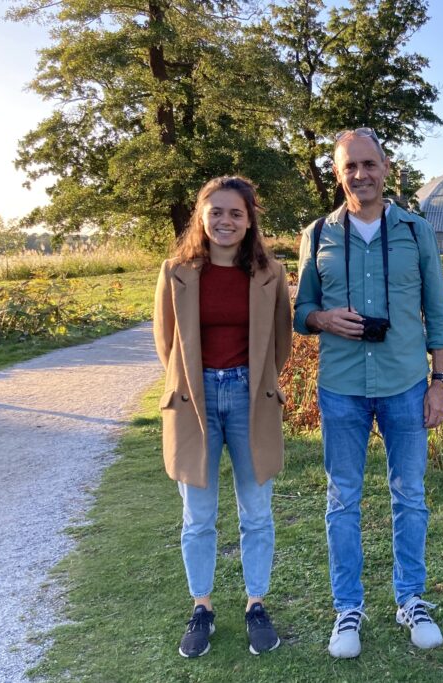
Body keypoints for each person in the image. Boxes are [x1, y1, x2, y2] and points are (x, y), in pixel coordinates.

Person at [293, 128, 443, 659]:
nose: (360, 175)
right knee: (342, 498)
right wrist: (322, 318)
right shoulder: (317, 234)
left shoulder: (416, 230)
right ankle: (348, 609)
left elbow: (437, 312)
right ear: (336, 173)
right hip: (340, 386)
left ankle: (411, 600)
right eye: (350, 167)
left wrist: (439, 383)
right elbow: (300, 313)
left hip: (405, 385)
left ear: (387, 168)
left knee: (409, 494)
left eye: (369, 164)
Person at [153, 176, 292, 658]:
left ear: (250, 219)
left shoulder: (269, 273)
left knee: (256, 513)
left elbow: (281, 342)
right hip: (196, 401)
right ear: (201, 217)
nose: (225, 221)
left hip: (251, 398)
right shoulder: (175, 273)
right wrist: (194, 385)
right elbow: (166, 345)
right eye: (216, 212)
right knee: (198, 517)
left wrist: (257, 383)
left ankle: (256, 603)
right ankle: (202, 607)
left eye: (236, 213)